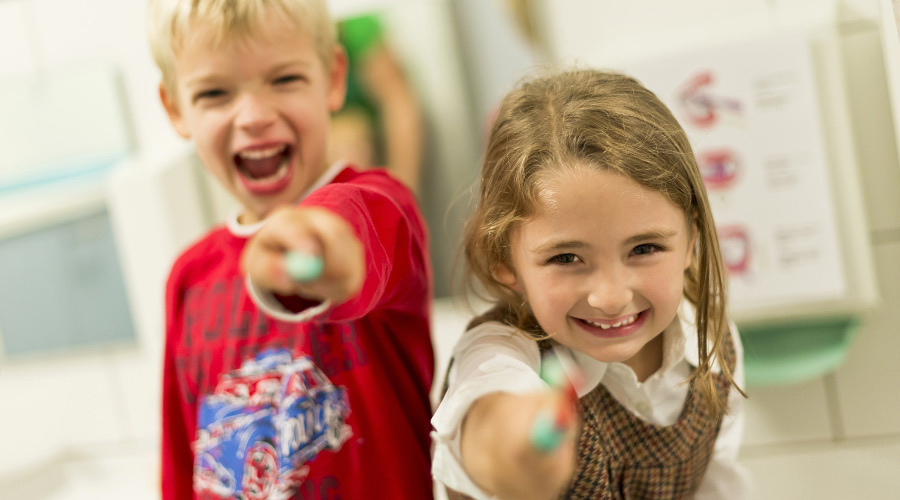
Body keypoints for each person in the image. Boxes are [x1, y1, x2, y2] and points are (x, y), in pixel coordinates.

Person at [146, 1, 435, 498]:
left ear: (333, 78)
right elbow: (179, 459)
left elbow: (357, 232)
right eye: (215, 93)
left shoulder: (385, 206)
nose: (255, 116)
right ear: (175, 108)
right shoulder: (188, 277)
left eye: (284, 80)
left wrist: (320, 242)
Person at [431, 69, 751, 500]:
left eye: (645, 248)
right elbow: (487, 413)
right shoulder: (504, 353)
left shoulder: (713, 344)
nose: (611, 296)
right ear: (503, 260)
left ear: (691, 241)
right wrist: (515, 444)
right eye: (566, 258)